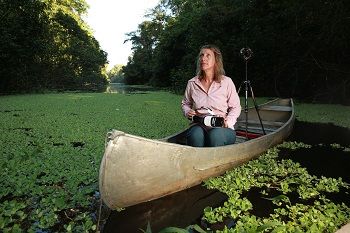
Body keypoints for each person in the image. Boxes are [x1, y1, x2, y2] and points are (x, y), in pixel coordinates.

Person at [181, 45, 241, 147]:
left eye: (208, 55)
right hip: (199, 125)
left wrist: (229, 121)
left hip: (222, 128)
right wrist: (188, 111)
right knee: (195, 136)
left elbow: (236, 107)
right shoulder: (192, 83)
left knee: (215, 135)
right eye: (201, 55)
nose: (203, 58)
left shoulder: (226, 82)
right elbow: (185, 104)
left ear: (216, 61)